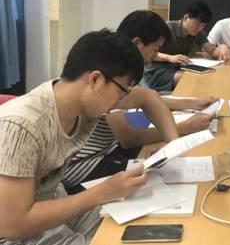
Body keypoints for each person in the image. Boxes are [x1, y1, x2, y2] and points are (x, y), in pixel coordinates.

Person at [0, 30, 156, 244]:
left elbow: (148, 98)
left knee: (138, 224)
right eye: (121, 93)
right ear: (95, 79)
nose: (119, 102)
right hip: (16, 230)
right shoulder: (22, 125)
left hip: (52, 199)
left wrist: (151, 161)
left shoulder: (80, 105)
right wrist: (103, 192)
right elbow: (13, 226)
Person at [63, 11, 217, 193]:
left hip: (108, 149)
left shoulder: (118, 69)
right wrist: (184, 128)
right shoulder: (111, 74)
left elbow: (147, 97)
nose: (156, 55)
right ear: (137, 43)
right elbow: (128, 138)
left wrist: (173, 146)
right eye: (155, 49)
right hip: (86, 165)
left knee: (163, 171)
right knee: (161, 187)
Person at [144, 1, 230, 91]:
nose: (199, 28)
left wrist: (222, 47)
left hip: (177, 68)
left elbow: (211, 50)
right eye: (196, 24)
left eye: (203, 26)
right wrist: (170, 58)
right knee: (188, 79)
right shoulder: (167, 28)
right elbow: (150, 53)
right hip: (155, 71)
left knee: (205, 76)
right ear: (185, 18)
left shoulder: (198, 33)